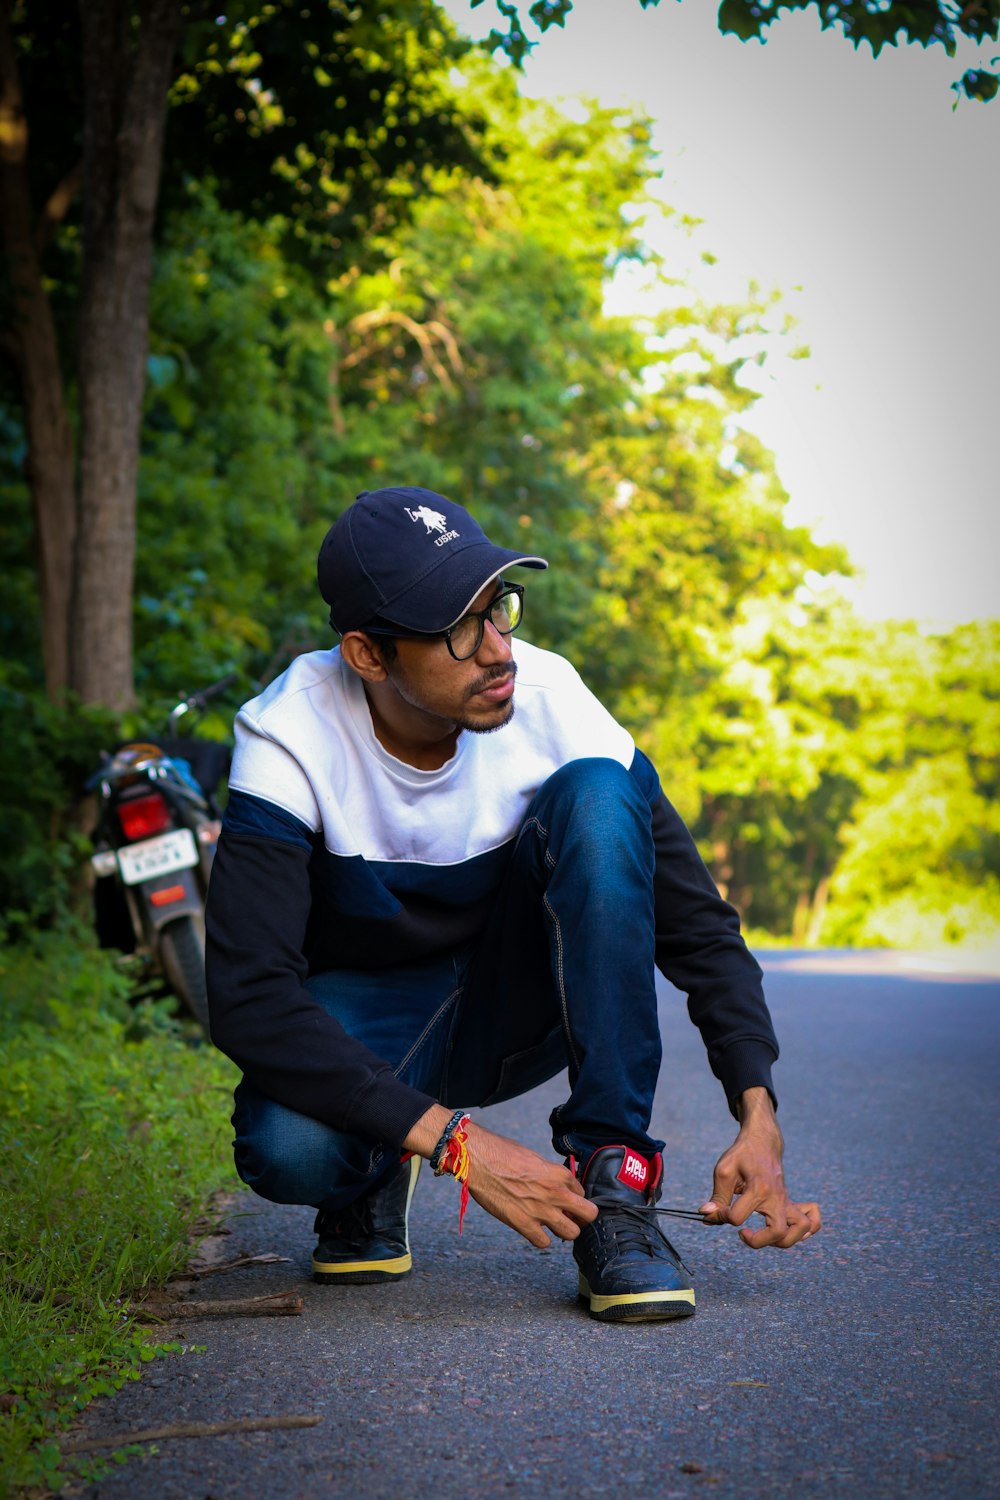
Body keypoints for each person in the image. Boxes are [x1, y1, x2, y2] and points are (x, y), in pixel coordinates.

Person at [205, 485, 821, 1324]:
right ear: (367, 655)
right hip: (381, 1020)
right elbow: (249, 1000)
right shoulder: (288, 738)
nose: (498, 650)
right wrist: (453, 1143)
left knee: (602, 794)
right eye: (459, 628)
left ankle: (617, 1188)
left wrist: (758, 1113)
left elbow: (697, 925)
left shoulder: (553, 702)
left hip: (523, 1000)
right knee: (289, 1147)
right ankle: (379, 1164)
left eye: (498, 609)